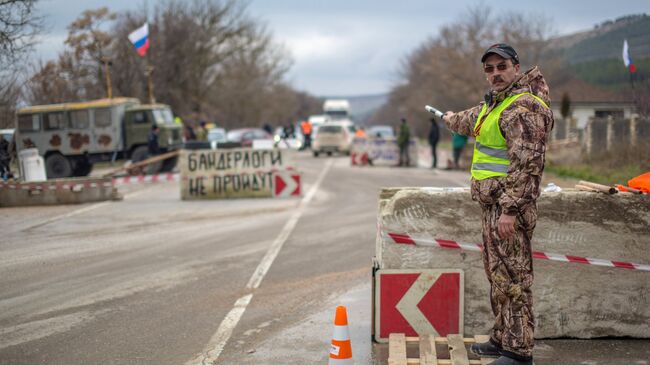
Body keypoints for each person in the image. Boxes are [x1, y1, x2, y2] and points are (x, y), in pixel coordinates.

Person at [441, 43, 554, 365]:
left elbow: (529, 164)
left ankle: (519, 353)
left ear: (516, 68)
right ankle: (503, 338)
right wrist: (449, 118)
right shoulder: (497, 105)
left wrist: (510, 210)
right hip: (493, 206)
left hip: (509, 210)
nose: (495, 74)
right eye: (489, 69)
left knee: (515, 280)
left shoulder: (524, 108)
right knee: (499, 276)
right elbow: (469, 119)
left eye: (501, 67)